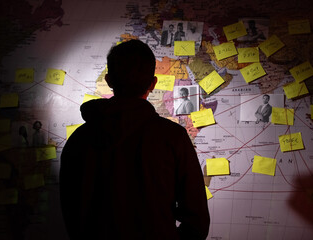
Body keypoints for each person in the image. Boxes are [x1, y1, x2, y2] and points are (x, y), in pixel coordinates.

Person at [59, 40, 210, 239]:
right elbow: (196, 221)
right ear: (153, 83)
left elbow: (71, 214)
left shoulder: (79, 139)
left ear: (109, 80)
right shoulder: (173, 138)